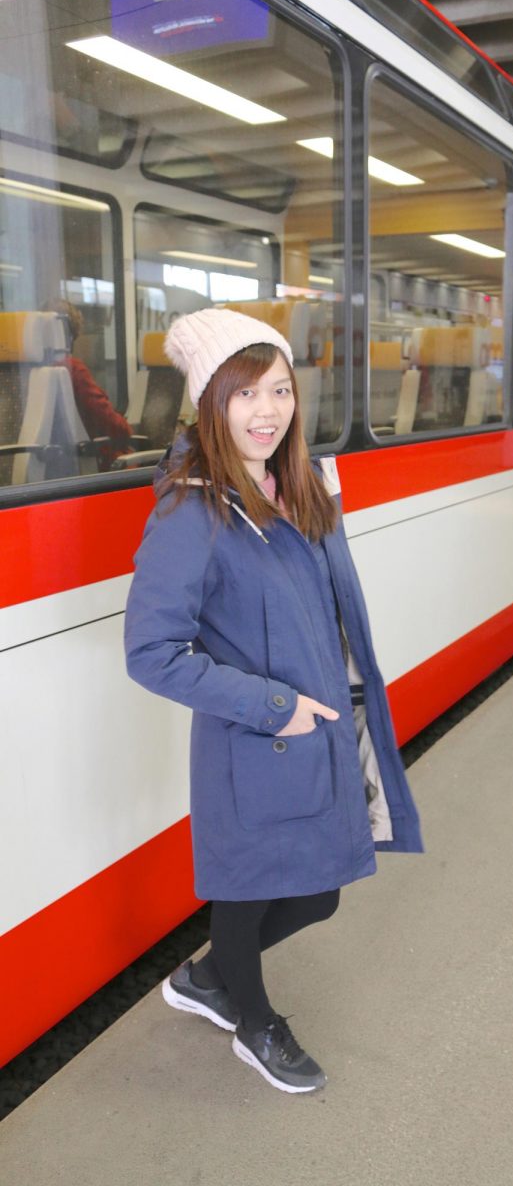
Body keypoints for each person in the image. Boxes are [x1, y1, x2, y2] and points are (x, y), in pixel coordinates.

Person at [124, 308, 422, 1095]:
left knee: (318, 894)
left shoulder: (301, 484)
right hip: (257, 741)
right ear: (209, 404)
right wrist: (273, 707)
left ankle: (206, 979)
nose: (268, 410)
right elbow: (150, 652)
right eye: (245, 393)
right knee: (247, 891)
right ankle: (254, 1024)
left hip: (317, 729)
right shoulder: (190, 512)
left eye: (281, 390)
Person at [45, 299, 133, 470]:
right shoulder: (73, 369)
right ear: (71, 334)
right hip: (97, 460)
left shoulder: (32, 371)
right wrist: (128, 430)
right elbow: (107, 419)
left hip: (55, 461)